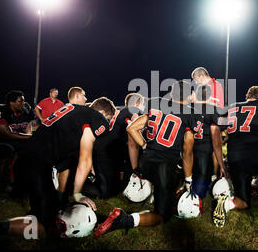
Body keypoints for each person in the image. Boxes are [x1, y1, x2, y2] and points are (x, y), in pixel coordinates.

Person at [0, 96, 114, 238]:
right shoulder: (96, 118)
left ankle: (47, 205)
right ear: (103, 113)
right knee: (47, 226)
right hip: (37, 163)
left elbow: (72, 154)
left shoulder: (73, 109)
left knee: (49, 206)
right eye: (108, 119)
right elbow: (84, 161)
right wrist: (78, 194)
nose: (106, 123)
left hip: (27, 158)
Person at [93, 80, 195, 238]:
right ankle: (124, 219)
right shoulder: (189, 113)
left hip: (145, 162)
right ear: (187, 95)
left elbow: (131, 128)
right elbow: (187, 151)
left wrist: (145, 146)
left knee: (167, 180)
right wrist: (189, 179)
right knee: (163, 216)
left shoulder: (156, 103)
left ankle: (157, 194)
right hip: (164, 167)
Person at [212, 86, 258, 228]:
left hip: (235, 159)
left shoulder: (230, 108)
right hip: (256, 157)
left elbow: (215, 130)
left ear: (247, 96)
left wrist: (221, 162)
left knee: (244, 201)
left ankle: (228, 204)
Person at [83, 93, 145, 198]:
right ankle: (78, 186)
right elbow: (132, 142)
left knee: (116, 190)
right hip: (103, 157)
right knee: (106, 194)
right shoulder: (128, 112)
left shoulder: (122, 113)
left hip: (109, 156)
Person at [0, 90, 34, 201]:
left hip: (9, 141)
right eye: (20, 101)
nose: (23, 103)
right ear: (12, 103)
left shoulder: (19, 111)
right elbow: (7, 134)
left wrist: (29, 134)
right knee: (8, 150)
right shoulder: (2, 111)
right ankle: (0, 189)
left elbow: (31, 123)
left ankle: (19, 182)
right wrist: (30, 137)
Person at [190, 84, 227, 199]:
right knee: (200, 192)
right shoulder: (215, 110)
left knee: (190, 178)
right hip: (204, 153)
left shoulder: (188, 108)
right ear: (210, 95)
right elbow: (216, 141)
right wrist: (221, 164)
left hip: (186, 150)